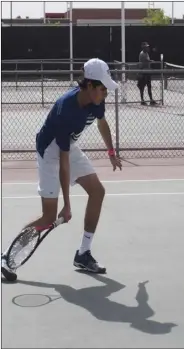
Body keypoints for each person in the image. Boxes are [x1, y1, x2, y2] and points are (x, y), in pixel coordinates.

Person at [1, 58, 122, 282]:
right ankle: (7, 255)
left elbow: (102, 122)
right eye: (103, 88)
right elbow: (62, 161)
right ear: (89, 85)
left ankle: (83, 254)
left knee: (98, 191)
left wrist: (111, 152)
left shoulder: (97, 99)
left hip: (68, 146)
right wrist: (66, 204)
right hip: (50, 151)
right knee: (49, 216)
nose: (106, 92)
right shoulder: (66, 109)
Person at [137, 42, 157, 106]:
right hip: (143, 72)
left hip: (147, 71)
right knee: (142, 87)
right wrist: (151, 61)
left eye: (147, 47)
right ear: (143, 48)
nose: (148, 48)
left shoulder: (146, 53)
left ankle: (151, 100)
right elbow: (146, 61)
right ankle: (142, 100)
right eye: (146, 47)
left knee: (149, 86)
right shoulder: (142, 54)